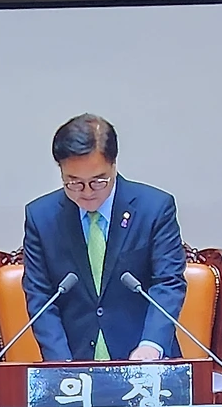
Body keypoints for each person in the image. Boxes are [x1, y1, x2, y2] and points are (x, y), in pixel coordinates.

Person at [22, 113, 186, 362]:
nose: (87, 193)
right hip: (73, 362)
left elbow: (168, 282)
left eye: (98, 181)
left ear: (114, 164)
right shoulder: (41, 217)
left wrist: (151, 345)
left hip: (145, 361)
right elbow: (40, 296)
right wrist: (61, 364)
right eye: (74, 183)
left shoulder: (154, 208)